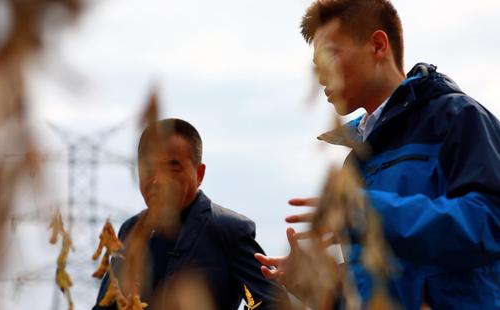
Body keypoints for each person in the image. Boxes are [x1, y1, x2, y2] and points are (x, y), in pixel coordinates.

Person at [255, 0, 500, 309]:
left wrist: (367, 212)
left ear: (378, 45)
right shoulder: (356, 159)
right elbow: (372, 284)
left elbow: (489, 223)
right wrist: (316, 283)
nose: (321, 76)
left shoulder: (459, 118)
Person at [93, 118, 285, 310]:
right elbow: (106, 305)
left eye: (173, 166)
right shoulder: (130, 231)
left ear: (199, 174)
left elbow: (272, 304)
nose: (159, 180)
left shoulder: (228, 232)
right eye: (149, 168)